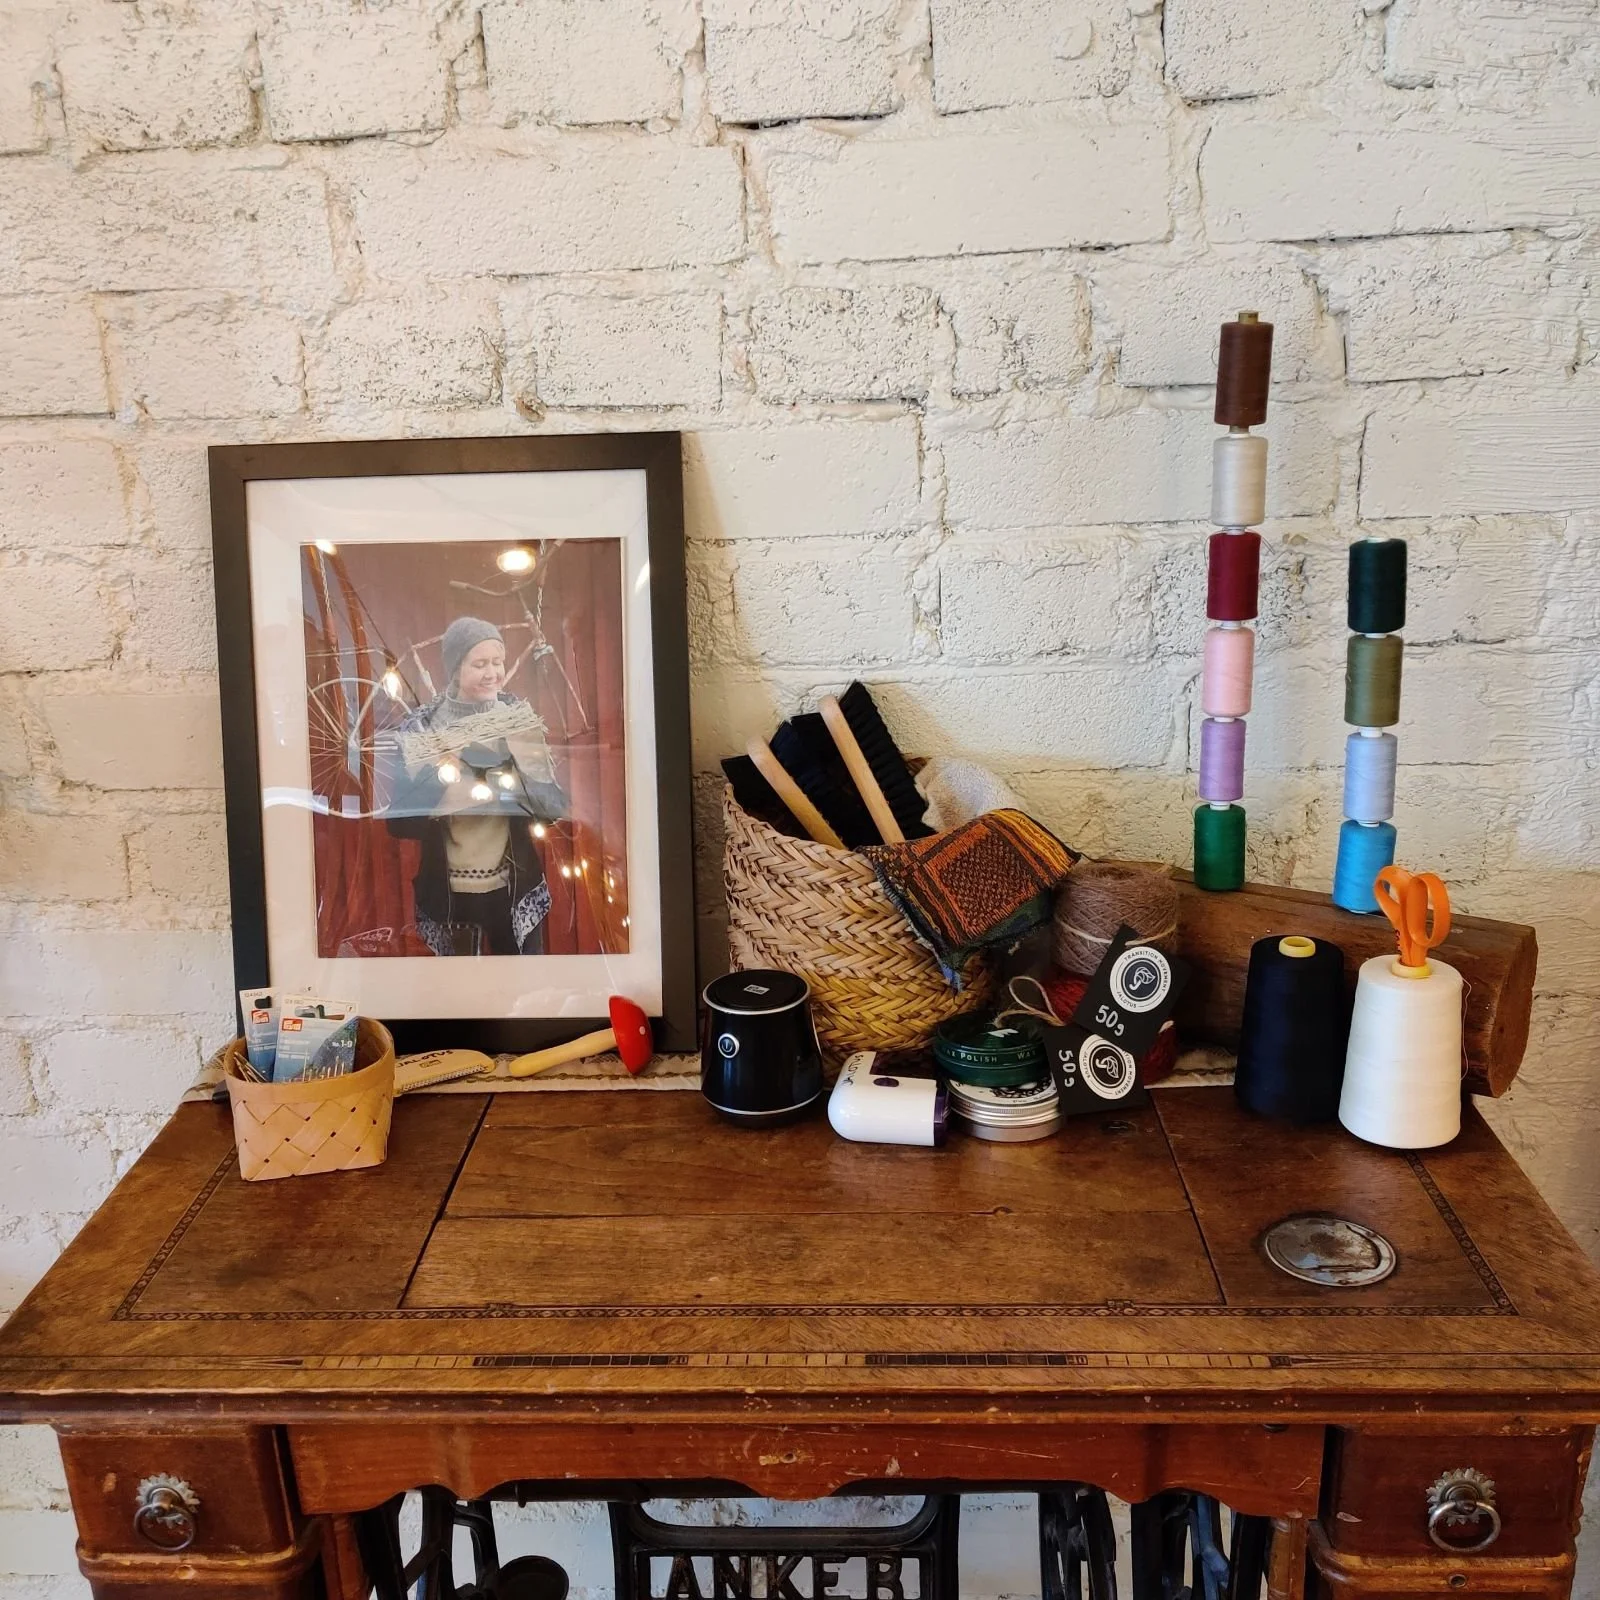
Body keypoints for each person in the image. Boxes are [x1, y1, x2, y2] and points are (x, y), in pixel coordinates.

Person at [386, 617, 567, 956]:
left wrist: (522, 771)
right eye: (480, 664)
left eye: (498, 662)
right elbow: (399, 823)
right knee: (458, 987)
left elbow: (553, 810)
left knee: (522, 984)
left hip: (514, 891)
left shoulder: (518, 720)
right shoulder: (424, 729)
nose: (492, 673)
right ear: (455, 670)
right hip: (449, 897)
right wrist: (441, 787)